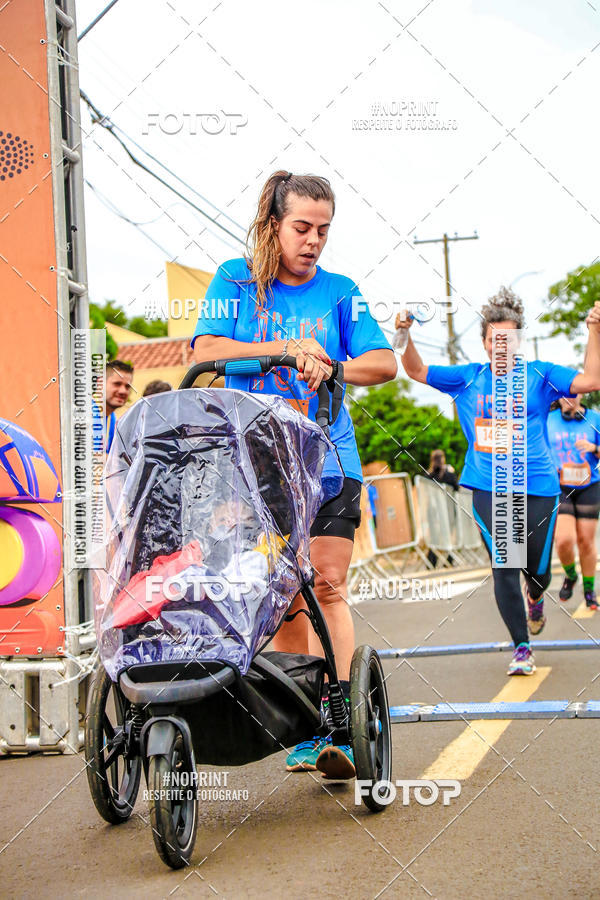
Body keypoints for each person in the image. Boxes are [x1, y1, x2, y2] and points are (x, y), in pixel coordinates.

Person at [192, 170, 396, 777]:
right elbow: (204, 352)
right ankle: (307, 723)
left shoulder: (341, 291)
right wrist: (283, 352)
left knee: (325, 581)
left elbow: (383, 364)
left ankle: (342, 722)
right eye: (302, 227)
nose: (314, 241)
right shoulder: (236, 280)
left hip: (327, 459)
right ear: (272, 225)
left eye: (324, 230)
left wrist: (334, 365)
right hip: (256, 462)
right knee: (283, 597)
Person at [397, 287, 600, 676]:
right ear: (486, 344)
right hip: (491, 487)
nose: (501, 347)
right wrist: (403, 335)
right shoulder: (469, 378)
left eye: (508, 339)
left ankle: (537, 595)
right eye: (494, 340)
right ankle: (521, 646)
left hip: (539, 484)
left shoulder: (540, 376)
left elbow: (591, 380)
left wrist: (594, 329)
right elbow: (417, 371)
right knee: (506, 564)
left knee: (537, 569)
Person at [547, 396, 600, 609]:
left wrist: (594, 448)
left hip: (589, 484)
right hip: (560, 485)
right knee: (563, 539)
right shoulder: (547, 419)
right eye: (564, 394)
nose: (569, 398)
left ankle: (589, 590)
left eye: (574, 393)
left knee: (586, 542)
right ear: (558, 398)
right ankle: (571, 575)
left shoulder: (594, 418)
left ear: (581, 395)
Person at [105, 361, 134, 454]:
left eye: (127, 386)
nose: (123, 391)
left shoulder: (112, 417)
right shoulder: (85, 413)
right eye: (117, 384)